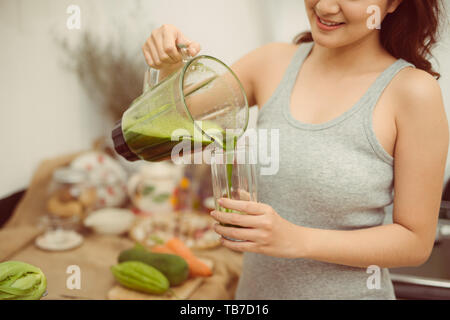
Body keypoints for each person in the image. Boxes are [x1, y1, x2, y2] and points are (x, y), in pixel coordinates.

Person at [142, 0, 449, 299]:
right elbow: (173, 125)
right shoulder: (270, 63)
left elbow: (414, 241)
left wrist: (296, 239)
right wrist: (169, 69)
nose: (326, 7)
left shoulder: (413, 92)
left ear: (394, 3)